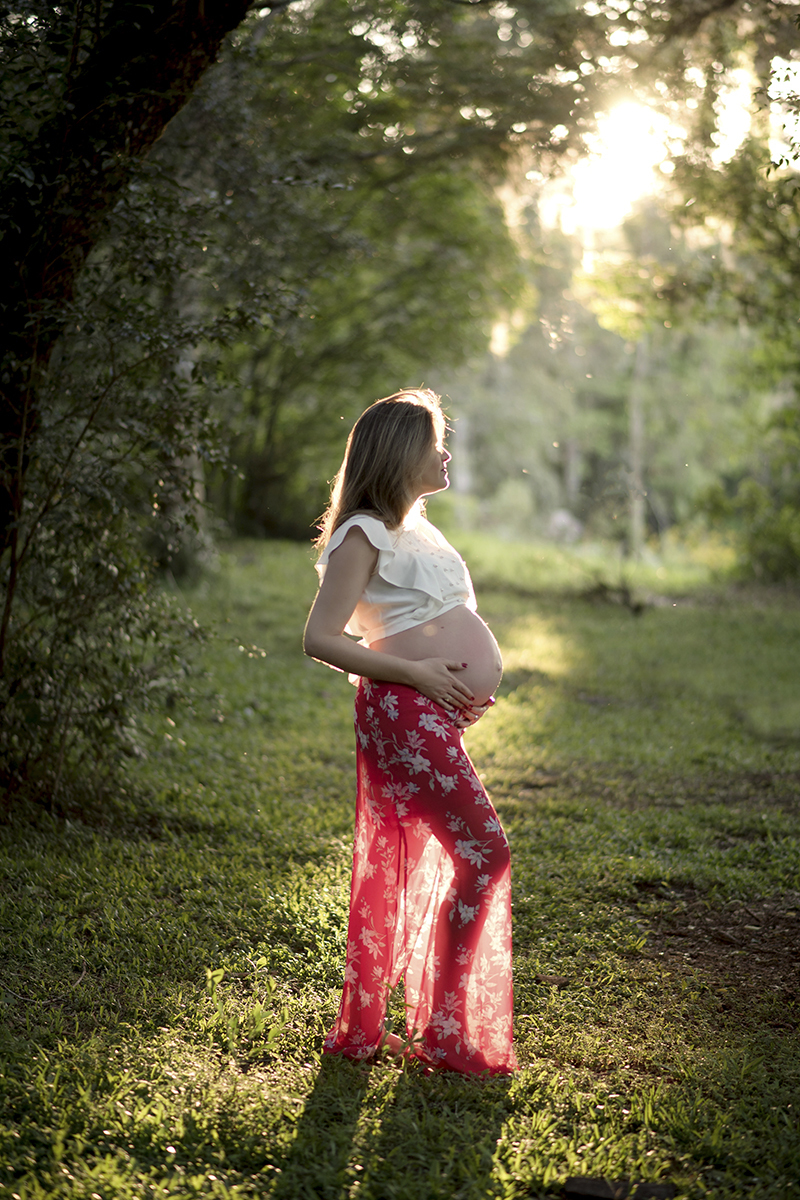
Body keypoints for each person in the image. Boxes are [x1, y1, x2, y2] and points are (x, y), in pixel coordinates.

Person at [303, 389, 517, 1076]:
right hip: (402, 709)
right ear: (401, 453)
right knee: (485, 853)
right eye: (434, 442)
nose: (445, 452)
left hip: (428, 712)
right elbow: (319, 638)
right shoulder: (363, 532)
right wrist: (419, 675)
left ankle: (438, 1023)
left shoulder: (416, 526)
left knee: (472, 856)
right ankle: (447, 1028)